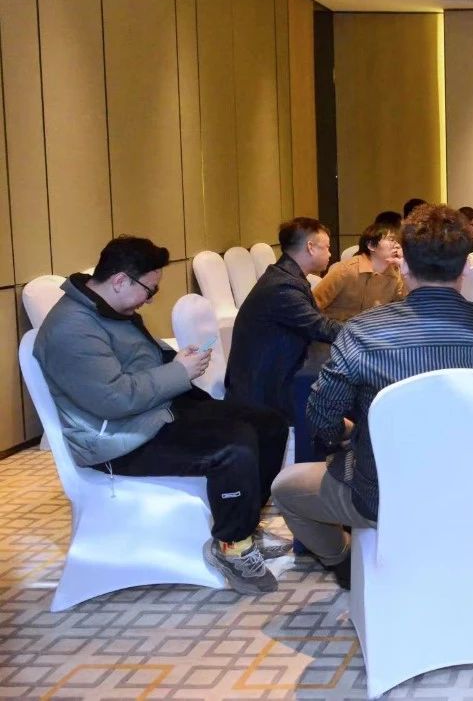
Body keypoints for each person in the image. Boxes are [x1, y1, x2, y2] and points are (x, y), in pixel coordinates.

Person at [272, 205, 473, 588]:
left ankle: (344, 563)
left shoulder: (362, 332)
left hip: (381, 496)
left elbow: (320, 416)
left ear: (405, 266)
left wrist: (344, 434)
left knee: (286, 488)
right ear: (466, 267)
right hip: (468, 493)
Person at [34, 236, 290, 594]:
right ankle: (232, 546)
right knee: (235, 446)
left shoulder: (109, 309)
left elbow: (143, 359)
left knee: (268, 424)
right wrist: (179, 372)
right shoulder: (70, 330)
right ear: (120, 280)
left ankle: (243, 526)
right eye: (149, 290)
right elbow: (114, 399)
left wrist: (178, 361)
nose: (150, 299)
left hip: (154, 412)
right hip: (119, 440)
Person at [226, 218, 343, 419]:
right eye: (327, 247)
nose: (330, 254)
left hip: (274, 375)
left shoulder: (286, 276)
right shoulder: (283, 286)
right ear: (310, 247)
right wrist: (364, 331)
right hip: (262, 393)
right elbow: (320, 327)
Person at [312, 221, 407, 322]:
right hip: (337, 329)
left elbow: (404, 306)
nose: (397, 246)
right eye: (391, 240)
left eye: (398, 242)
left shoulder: (395, 273)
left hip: (372, 329)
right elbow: (314, 304)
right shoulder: (346, 270)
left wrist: (405, 265)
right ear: (371, 245)